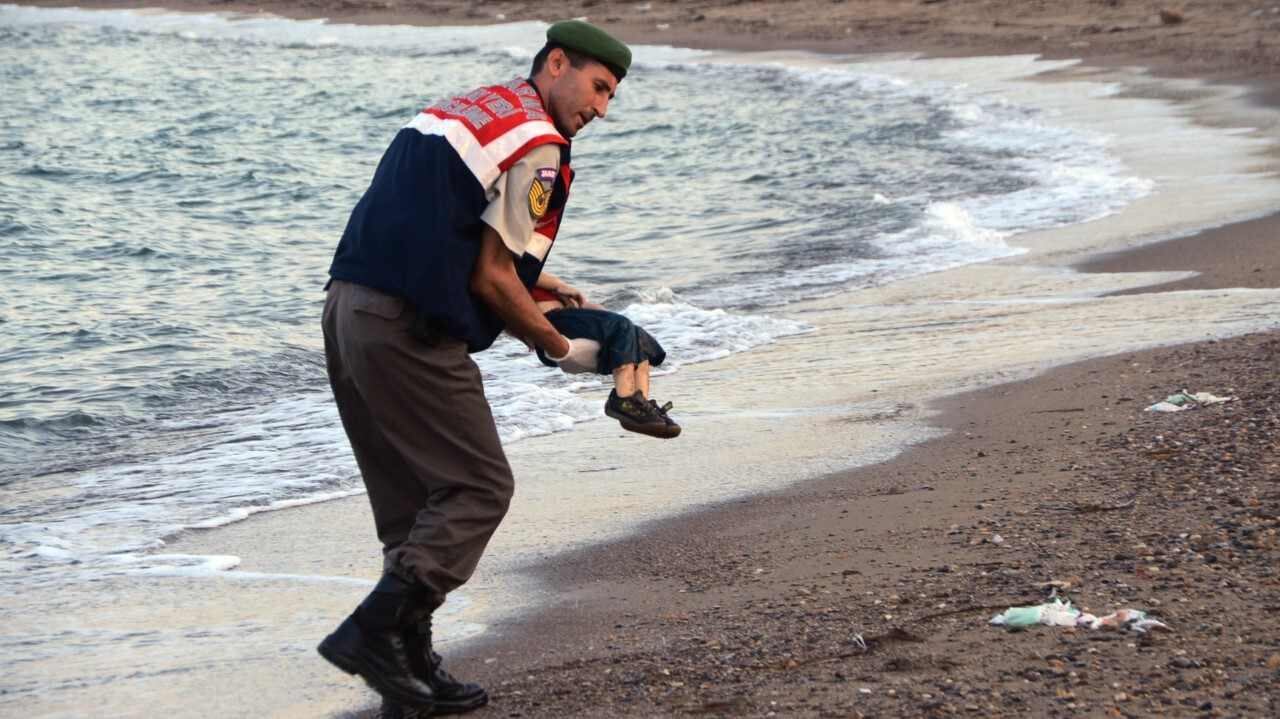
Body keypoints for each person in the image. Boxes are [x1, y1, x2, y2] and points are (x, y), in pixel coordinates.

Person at [316, 21, 632, 716]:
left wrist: (542, 286)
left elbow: (438, 222)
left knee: (411, 509)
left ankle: (408, 678)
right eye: (599, 87)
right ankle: (371, 634)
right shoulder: (541, 146)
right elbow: (492, 279)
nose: (601, 109)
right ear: (557, 63)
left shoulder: (470, 107)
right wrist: (558, 347)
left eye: (611, 96)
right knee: (478, 487)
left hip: (347, 310)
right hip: (406, 328)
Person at [530, 269, 681, 438]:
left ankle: (640, 407)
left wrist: (594, 310)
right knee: (621, 325)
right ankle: (622, 400)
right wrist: (560, 285)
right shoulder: (517, 269)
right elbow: (525, 273)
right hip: (551, 320)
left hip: (570, 317)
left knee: (636, 335)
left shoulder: (542, 281)